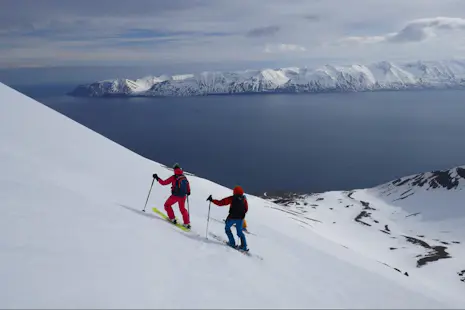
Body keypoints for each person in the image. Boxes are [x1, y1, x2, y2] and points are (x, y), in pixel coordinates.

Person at [207, 185, 249, 251]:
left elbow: (221, 203)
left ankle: (232, 243)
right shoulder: (244, 199)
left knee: (227, 228)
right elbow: (246, 209)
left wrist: (212, 200)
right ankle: (244, 246)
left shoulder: (232, 198)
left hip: (232, 217)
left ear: (234, 192)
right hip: (240, 218)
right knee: (240, 232)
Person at [153, 163, 191, 229]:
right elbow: (188, 186)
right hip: (183, 196)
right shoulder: (183, 176)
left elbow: (164, 183)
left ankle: (172, 218)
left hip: (175, 196)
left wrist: (157, 178)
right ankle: (186, 223)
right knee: (182, 209)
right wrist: (188, 192)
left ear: (174, 169)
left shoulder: (174, 177)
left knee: (167, 205)